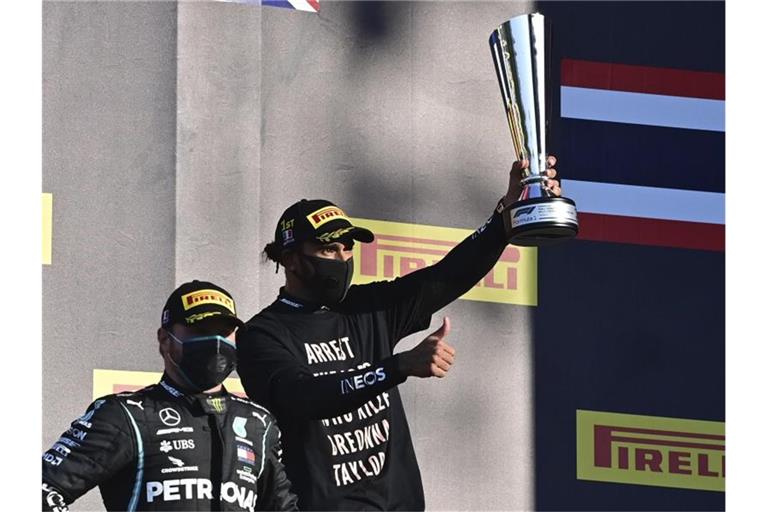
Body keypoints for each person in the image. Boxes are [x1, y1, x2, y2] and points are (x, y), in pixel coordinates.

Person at [236, 158, 562, 510]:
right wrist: (397, 367)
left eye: (348, 248)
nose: (342, 258)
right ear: (291, 259)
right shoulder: (261, 335)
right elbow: (305, 397)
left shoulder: (366, 306)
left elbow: (444, 278)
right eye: (328, 249)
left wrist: (505, 218)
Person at [42, 280, 298, 512]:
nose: (216, 341)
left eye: (224, 331)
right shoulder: (127, 415)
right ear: (165, 339)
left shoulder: (258, 422)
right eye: (201, 330)